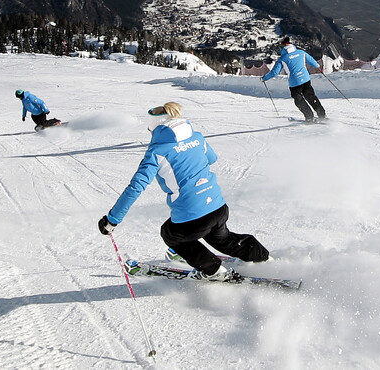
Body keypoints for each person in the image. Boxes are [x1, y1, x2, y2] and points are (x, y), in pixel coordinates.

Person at [97, 102, 270, 280]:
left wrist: (112, 220)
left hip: (192, 218)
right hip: (218, 208)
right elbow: (211, 158)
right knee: (221, 238)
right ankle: (261, 256)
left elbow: (135, 187)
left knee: (171, 234)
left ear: (155, 127)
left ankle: (214, 270)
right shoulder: (197, 137)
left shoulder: (157, 151)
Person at [262, 36, 327, 122]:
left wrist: (264, 78)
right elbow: (312, 62)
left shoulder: (282, 59)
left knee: (299, 100)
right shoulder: (301, 52)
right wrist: (319, 68)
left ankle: (309, 117)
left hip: (294, 82)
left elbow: (274, 72)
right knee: (311, 97)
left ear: (282, 47)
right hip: (306, 79)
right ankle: (322, 115)